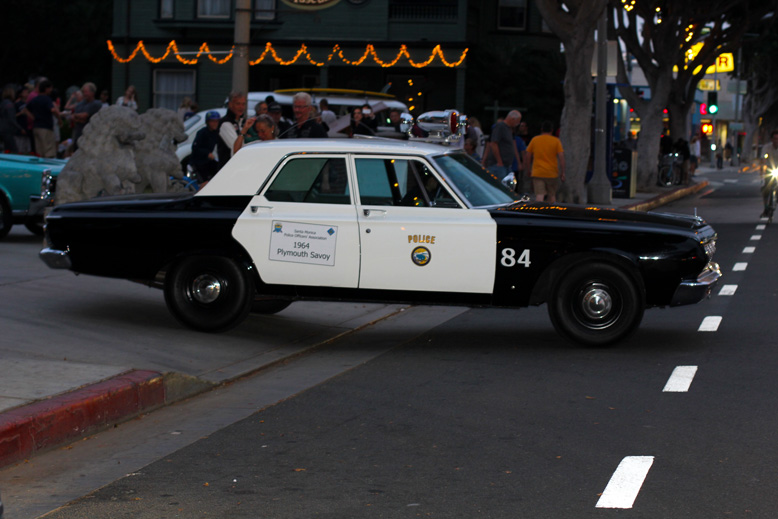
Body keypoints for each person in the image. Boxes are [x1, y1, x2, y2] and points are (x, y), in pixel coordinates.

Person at [526, 120, 565, 203]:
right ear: (552, 130)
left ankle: (539, 212)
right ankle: (551, 213)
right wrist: (562, 172)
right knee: (552, 195)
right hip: (552, 173)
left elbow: (528, 155)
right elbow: (561, 157)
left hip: (538, 172)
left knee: (540, 195)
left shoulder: (535, 140)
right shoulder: (556, 141)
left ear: (541, 129)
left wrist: (528, 169)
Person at [26, 78, 61, 158]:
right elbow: (53, 110)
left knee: (39, 151)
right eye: (50, 88)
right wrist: (59, 119)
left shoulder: (35, 99)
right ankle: (48, 168)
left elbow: (26, 109)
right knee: (48, 151)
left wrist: (33, 118)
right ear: (47, 89)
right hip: (46, 127)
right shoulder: (47, 99)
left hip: (36, 127)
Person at [482, 110, 522, 179]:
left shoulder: (509, 129)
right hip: (498, 165)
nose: (518, 123)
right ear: (512, 119)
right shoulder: (500, 127)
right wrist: (499, 161)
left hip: (506, 165)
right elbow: (493, 143)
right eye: (517, 121)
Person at [217, 91, 249, 170]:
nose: (241, 107)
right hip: (228, 169)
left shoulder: (243, 121)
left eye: (243, 104)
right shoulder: (225, 123)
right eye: (238, 104)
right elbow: (237, 148)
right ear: (230, 105)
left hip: (241, 166)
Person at [190, 111, 222, 182]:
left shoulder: (218, 133)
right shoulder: (202, 133)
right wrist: (207, 153)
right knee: (205, 180)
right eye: (212, 121)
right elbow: (195, 148)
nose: (215, 123)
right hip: (200, 162)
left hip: (211, 162)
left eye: (217, 121)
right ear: (208, 122)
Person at [71, 82, 103, 151]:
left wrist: (78, 117)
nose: (84, 94)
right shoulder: (80, 104)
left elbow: (84, 116)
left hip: (90, 137)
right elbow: (74, 118)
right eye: (83, 92)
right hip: (78, 134)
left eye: (86, 92)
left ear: (92, 93)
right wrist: (78, 117)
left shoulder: (96, 104)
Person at [761, 130, 778, 217]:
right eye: (775, 139)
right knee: (766, 189)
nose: (776, 141)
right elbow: (763, 159)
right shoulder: (767, 147)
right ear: (771, 139)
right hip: (769, 169)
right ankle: (766, 207)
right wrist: (762, 171)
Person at [0, 87, 21, 153]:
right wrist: (20, 128)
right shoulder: (9, 105)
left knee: (6, 149)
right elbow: (11, 119)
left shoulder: (2, 103)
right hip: (8, 130)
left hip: (2, 128)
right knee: (13, 150)